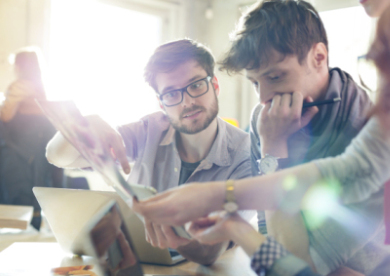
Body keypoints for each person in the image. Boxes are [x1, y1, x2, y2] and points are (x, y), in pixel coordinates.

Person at [134, 0, 390, 275]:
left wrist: (272, 153)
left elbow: (294, 266)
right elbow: (272, 243)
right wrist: (236, 225)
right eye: (255, 83)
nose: (264, 97)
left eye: (276, 77)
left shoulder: (369, 129)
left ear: (319, 58)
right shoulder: (266, 120)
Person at [46, 39, 252, 265]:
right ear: (161, 103)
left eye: (195, 85)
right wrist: (79, 125)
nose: (187, 102)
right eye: (172, 94)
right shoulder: (149, 130)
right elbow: (58, 157)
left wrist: (173, 238)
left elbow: (211, 251)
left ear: (215, 85)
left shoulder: (246, 154)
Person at [0, 47, 64, 230]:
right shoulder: (42, 93)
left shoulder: (20, 89)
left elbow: (5, 118)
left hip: (19, 165)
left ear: (19, 67)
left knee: (18, 219)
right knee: (29, 217)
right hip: (34, 167)